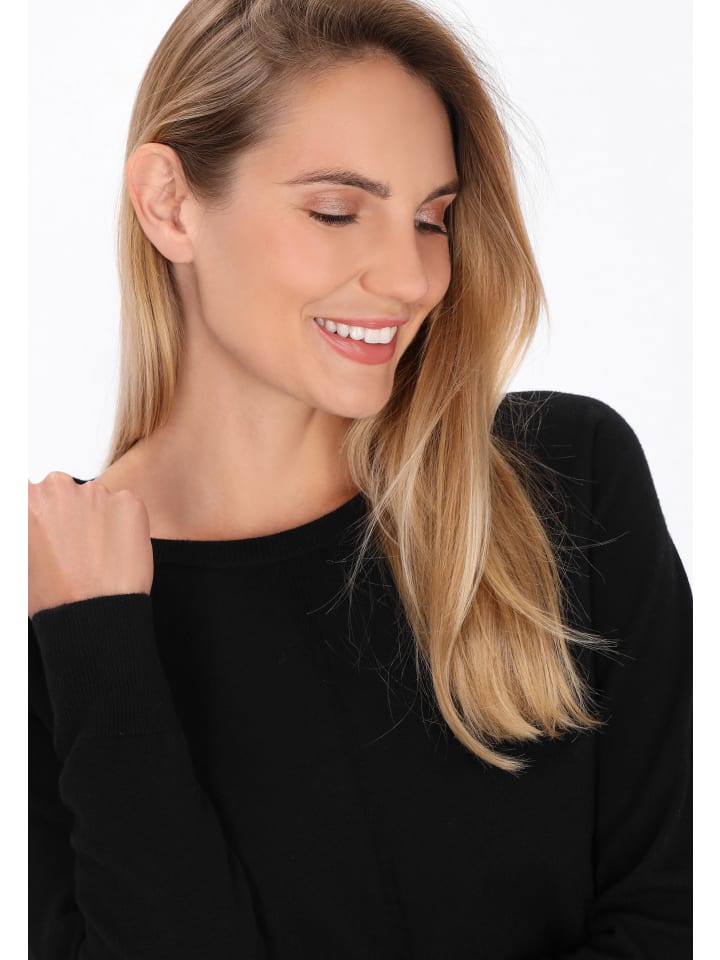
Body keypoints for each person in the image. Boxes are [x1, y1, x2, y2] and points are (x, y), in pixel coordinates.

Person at [28, 0, 691, 957]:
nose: (414, 278)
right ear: (170, 204)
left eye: (431, 219)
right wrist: (100, 656)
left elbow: (672, 916)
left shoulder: (566, 484)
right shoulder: (57, 624)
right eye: (336, 211)